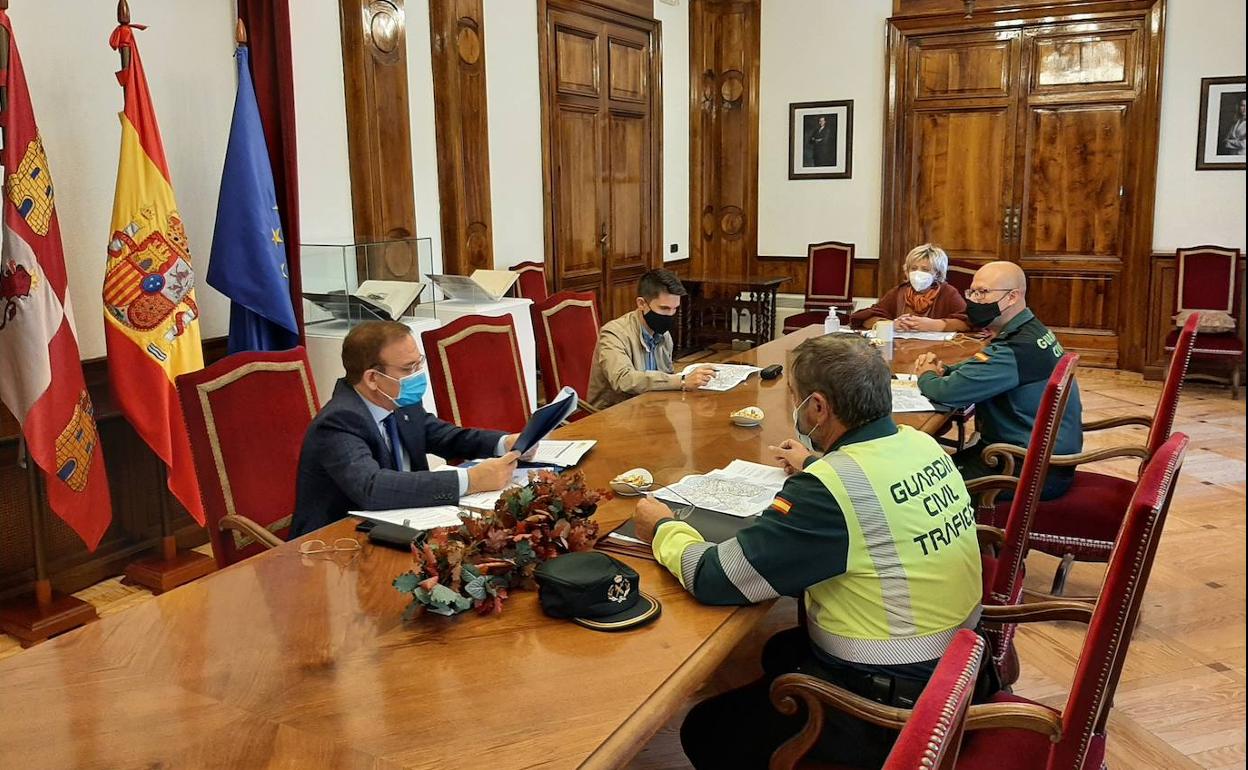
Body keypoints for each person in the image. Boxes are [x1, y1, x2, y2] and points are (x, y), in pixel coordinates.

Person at [630, 335, 985, 769]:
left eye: (795, 397)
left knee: (707, 728)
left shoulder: (827, 494)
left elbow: (717, 577)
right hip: (961, 665)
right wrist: (817, 462)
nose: (793, 408)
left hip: (896, 703)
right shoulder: (919, 443)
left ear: (818, 407)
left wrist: (663, 528)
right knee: (780, 651)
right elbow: (873, 494)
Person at [291, 321, 525, 537]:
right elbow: (371, 488)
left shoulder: (401, 402)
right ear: (372, 378)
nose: (417, 376)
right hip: (336, 543)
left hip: (404, 525)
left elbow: (446, 437)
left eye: (418, 363)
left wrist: (504, 442)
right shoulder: (339, 421)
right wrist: (470, 480)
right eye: (408, 368)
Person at [914, 260, 1083, 500]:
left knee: (919, 491)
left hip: (1022, 468)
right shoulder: (1031, 331)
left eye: (982, 293)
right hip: (1037, 457)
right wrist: (949, 369)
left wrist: (926, 375)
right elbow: (983, 367)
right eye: (972, 292)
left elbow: (946, 392)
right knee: (926, 472)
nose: (974, 300)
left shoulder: (1015, 348)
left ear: (1012, 297)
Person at [586, 269, 716, 410]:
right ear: (641, 304)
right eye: (664, 308)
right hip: (612, 417)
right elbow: (623, 380)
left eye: (675, 309)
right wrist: (682, 381)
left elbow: (666, 376)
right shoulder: (614, 333)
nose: (670, 315)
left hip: (651, 409)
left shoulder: (663, 335)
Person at [850, 243, 970, 332]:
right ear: (906, 272)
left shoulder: (948, 293)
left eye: (925, 269)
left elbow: (967, 322)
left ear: (937, 274)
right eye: (913, 268)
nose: (918, 273)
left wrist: (936, 325)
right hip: (902, 348)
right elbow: (866, 317)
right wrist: (890, 325)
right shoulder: (899, 292)